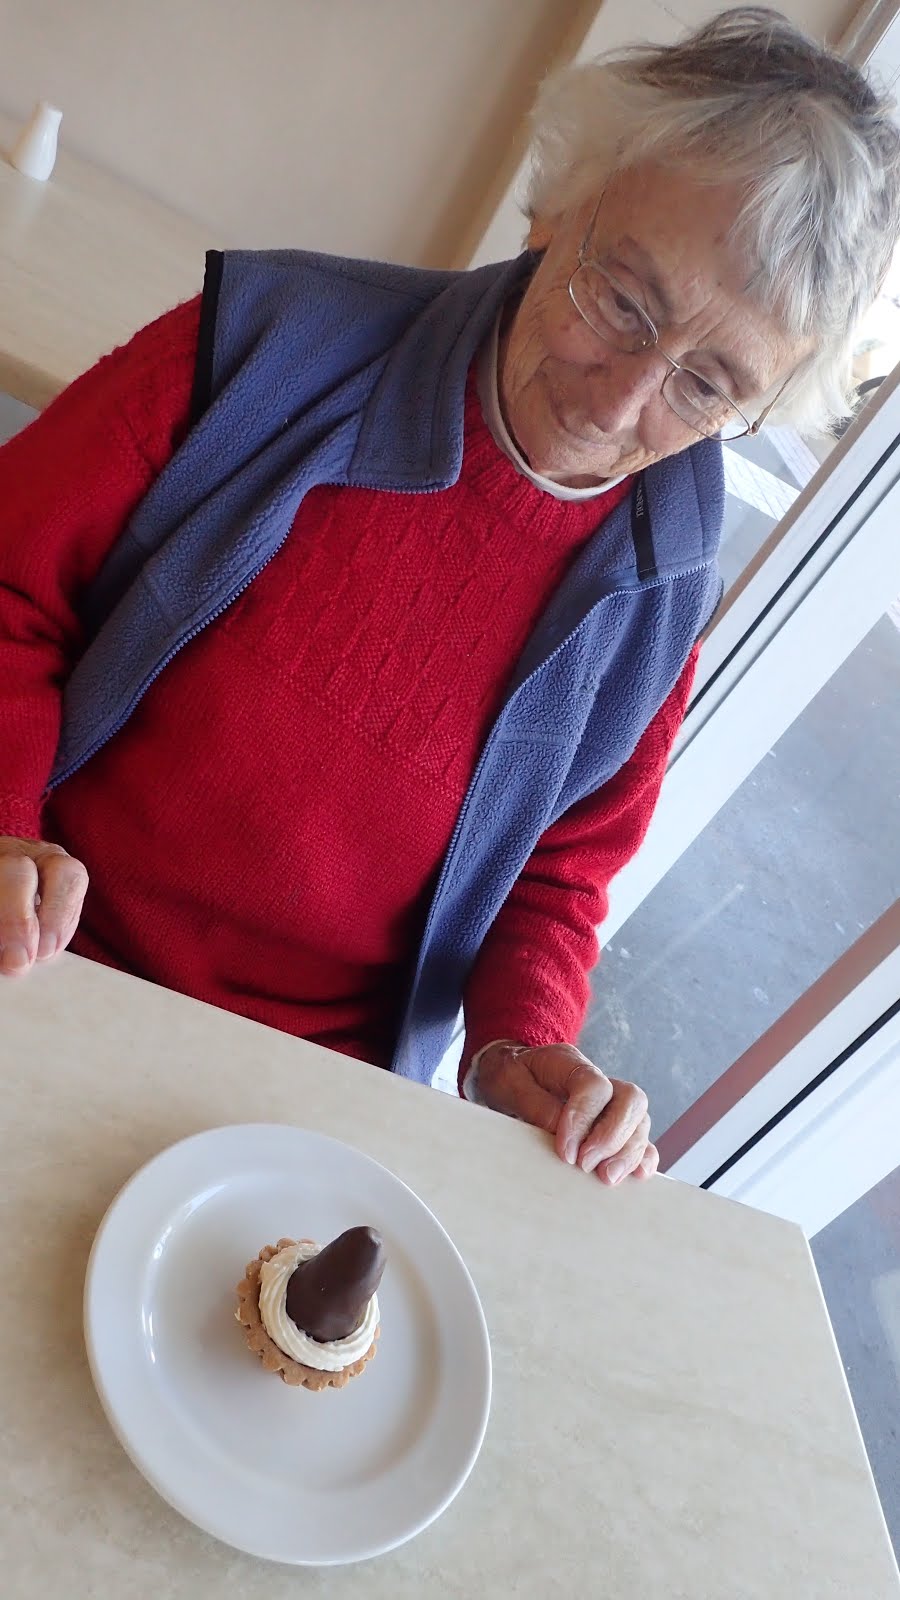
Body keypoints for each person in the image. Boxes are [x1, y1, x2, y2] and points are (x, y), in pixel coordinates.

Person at [1, 10, 898, 1185]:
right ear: (558, 205)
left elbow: (558, 873)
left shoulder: (659, 590)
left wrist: (522, 1043)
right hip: (45, 949)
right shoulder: (257, 349)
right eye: (623, 302)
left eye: (709, 383)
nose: (625, 403)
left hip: (309, 1095)